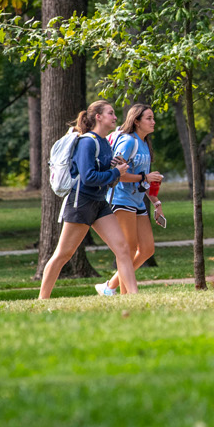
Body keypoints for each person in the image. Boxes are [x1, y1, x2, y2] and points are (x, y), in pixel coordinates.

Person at [39, 100, 139, 300]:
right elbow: (88, 177)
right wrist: (114, 172)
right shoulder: (87, 142)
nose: (115, 117)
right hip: (81, 202)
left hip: (100, 203)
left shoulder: (104, 143)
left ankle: (134, 297)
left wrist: (117, 170)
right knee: (63, 255)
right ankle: (42, 299)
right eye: (111, 113)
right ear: (98, 117)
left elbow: (106, 178)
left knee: (122, 248)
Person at [96, 104, 165, 296]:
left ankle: (109, 286)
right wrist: (144, 177)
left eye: (153, 118)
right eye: (149, 118)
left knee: (147, 249)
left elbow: (145, 179)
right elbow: (117, 174)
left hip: (137, 200)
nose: (153, 122)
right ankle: (126, 296)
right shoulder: (128, 142)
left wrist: (156, 203)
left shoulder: (144, 144)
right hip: (120, 198)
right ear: (136, 121)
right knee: (128, 249)